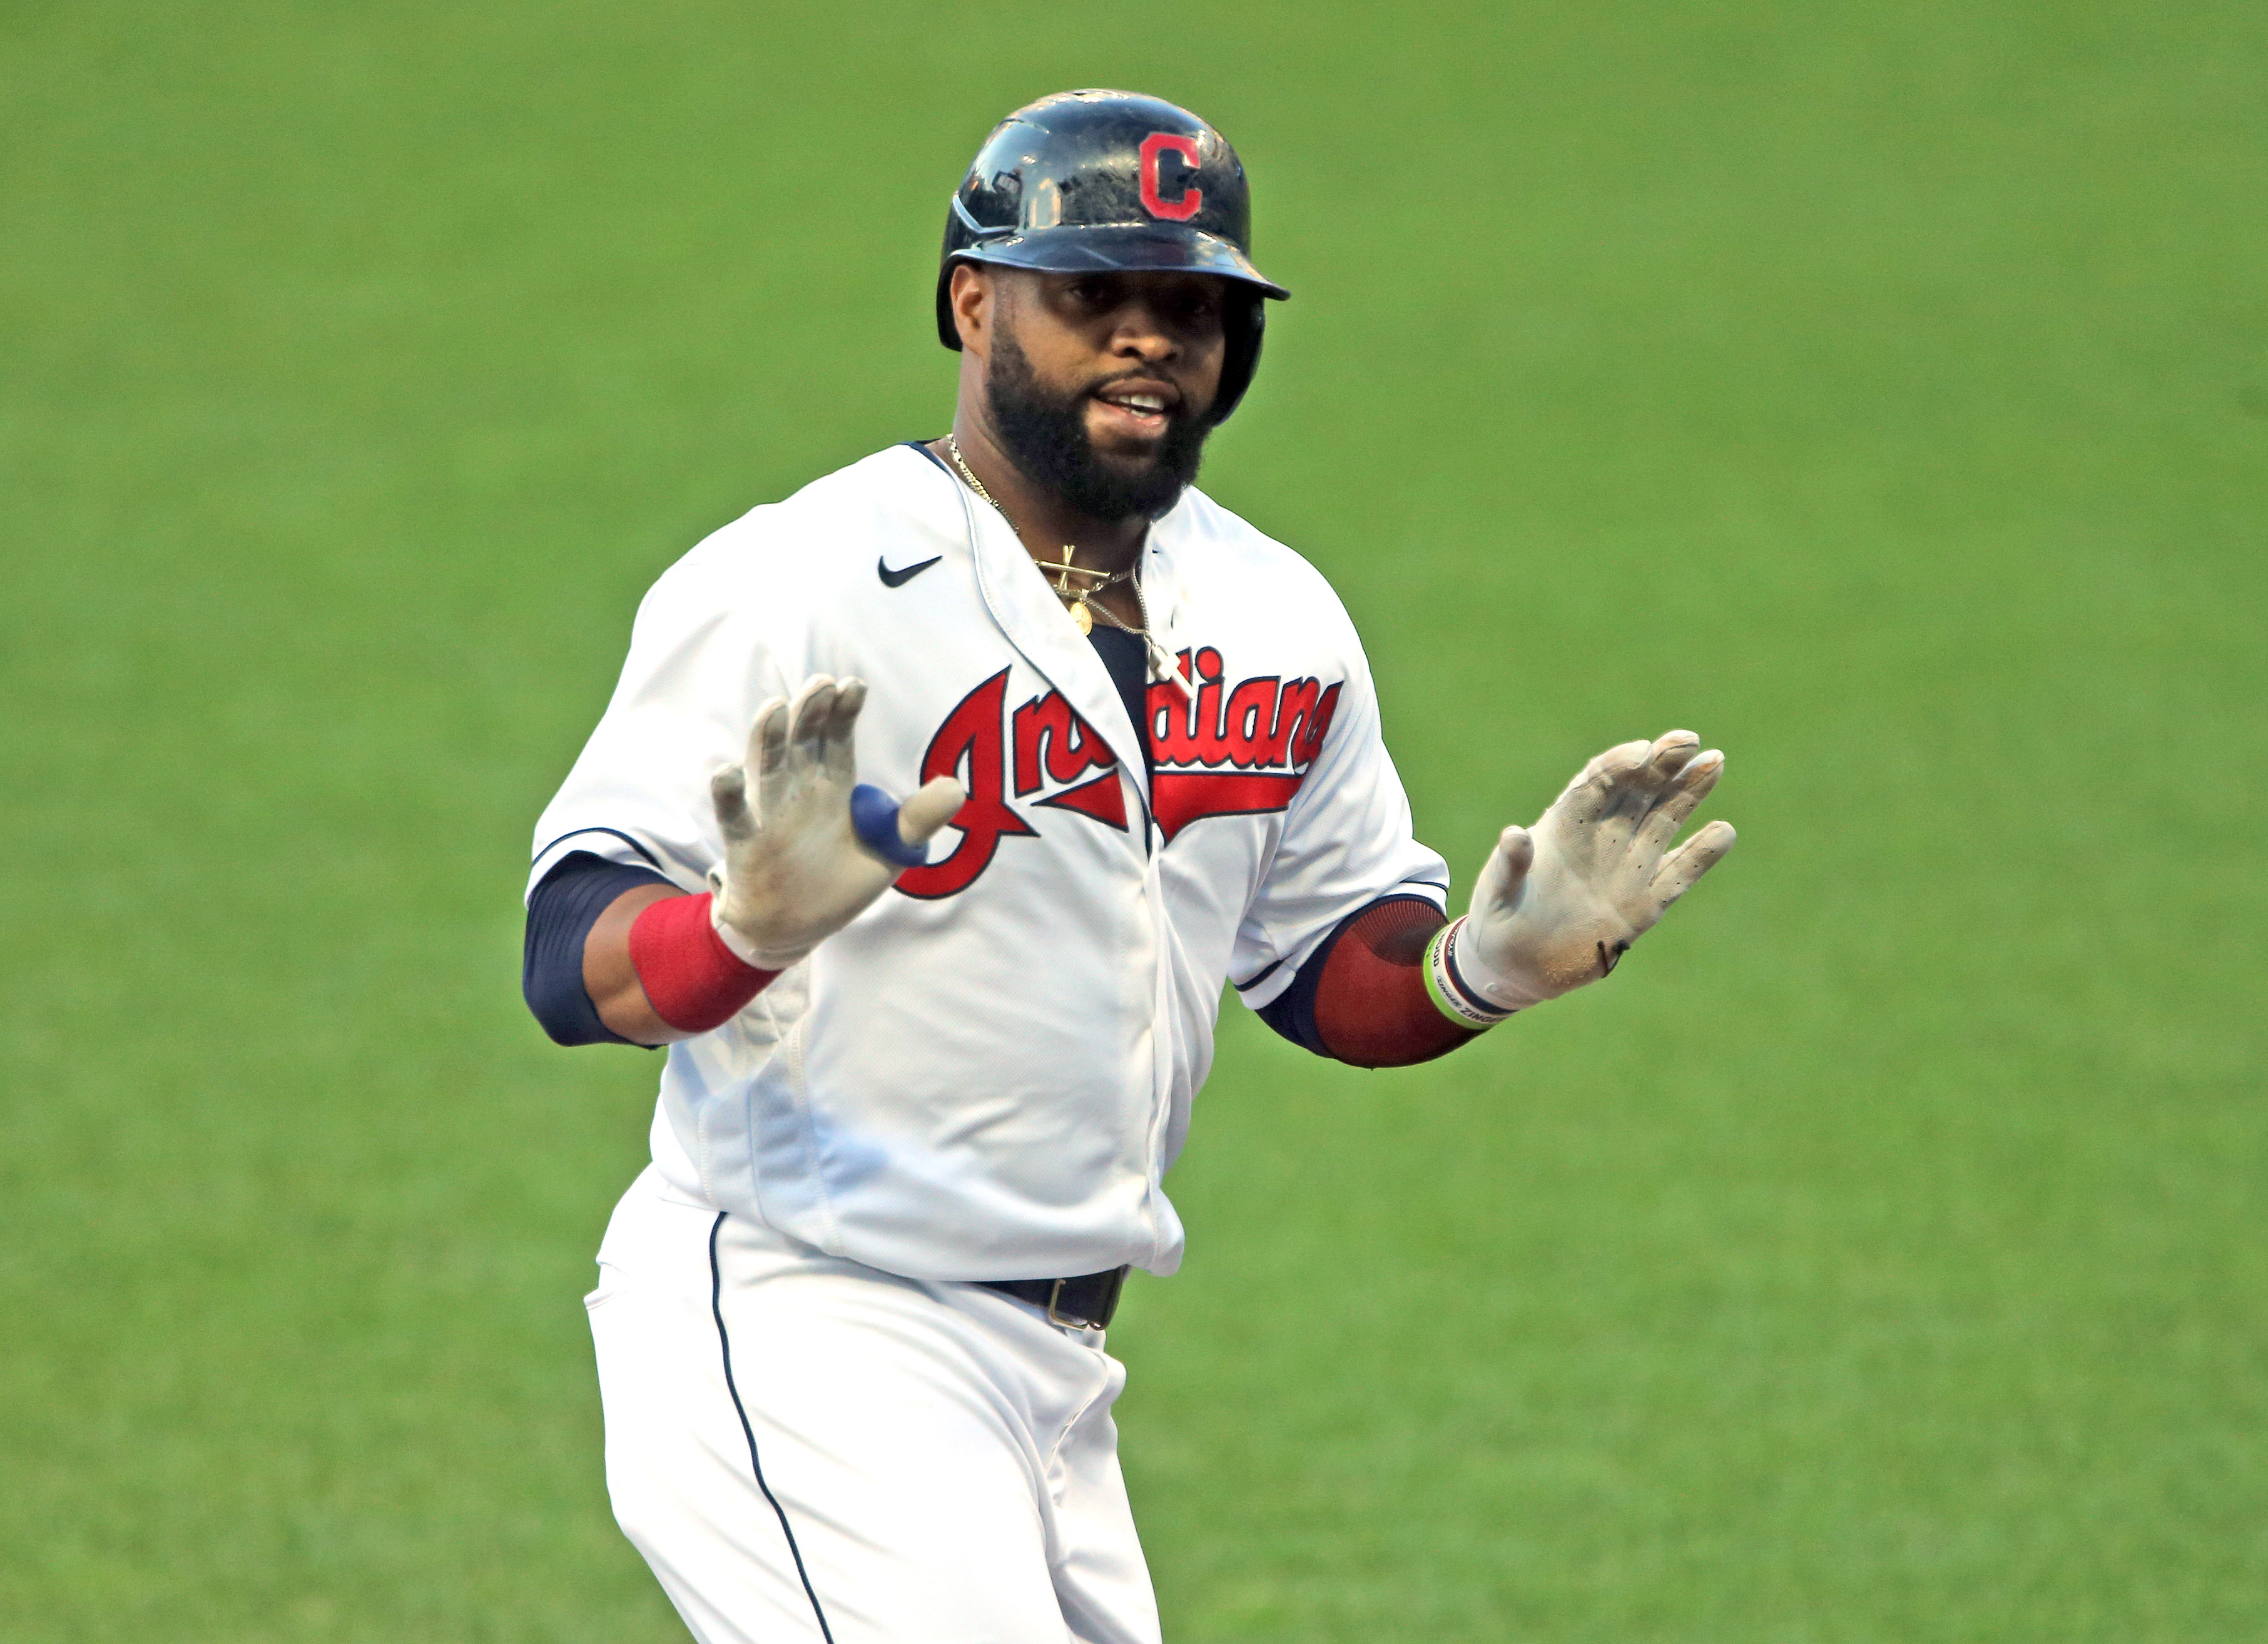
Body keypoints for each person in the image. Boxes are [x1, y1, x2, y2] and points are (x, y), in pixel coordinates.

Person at [521, 88, 1734, 1644]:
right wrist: (741, 927)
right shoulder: (796, 581)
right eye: (1094, 295)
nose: (1151, 338)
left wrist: (1487, 969)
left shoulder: (1278, 613)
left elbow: (1324, 973)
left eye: (1194, 306)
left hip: (1056, 1379)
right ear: (974, 300)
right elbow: (572, 957)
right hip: (811, 1325)